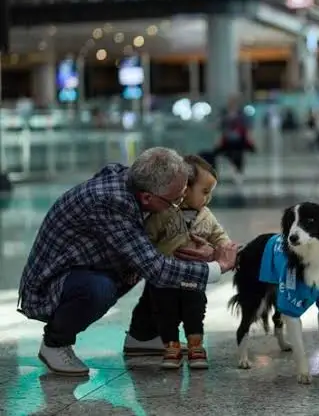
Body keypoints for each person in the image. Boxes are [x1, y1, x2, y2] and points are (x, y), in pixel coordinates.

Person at [17, 147, 239, 376]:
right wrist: (217, 267)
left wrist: (208, 250)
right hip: (51, 287)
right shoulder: (111, 202)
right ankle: (55, 343)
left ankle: (143, 335)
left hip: (93, 265)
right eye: (175, 201)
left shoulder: (137, 181)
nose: (179, 206)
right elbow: (157, 269)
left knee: (156, 254)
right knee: (106, 286)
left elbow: (156, 252)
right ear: (147, 197)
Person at [144, 155, 234, 370]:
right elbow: (147, 238)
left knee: (195, 310)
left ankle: (195, 346)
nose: (208, 198)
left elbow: (220, 237)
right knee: (166, 313)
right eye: (204, 192)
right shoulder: (163, 214)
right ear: (184, 188)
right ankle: (171, 346)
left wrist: (226, 250)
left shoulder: (207, 217)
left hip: (195, 276)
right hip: (165, 279)